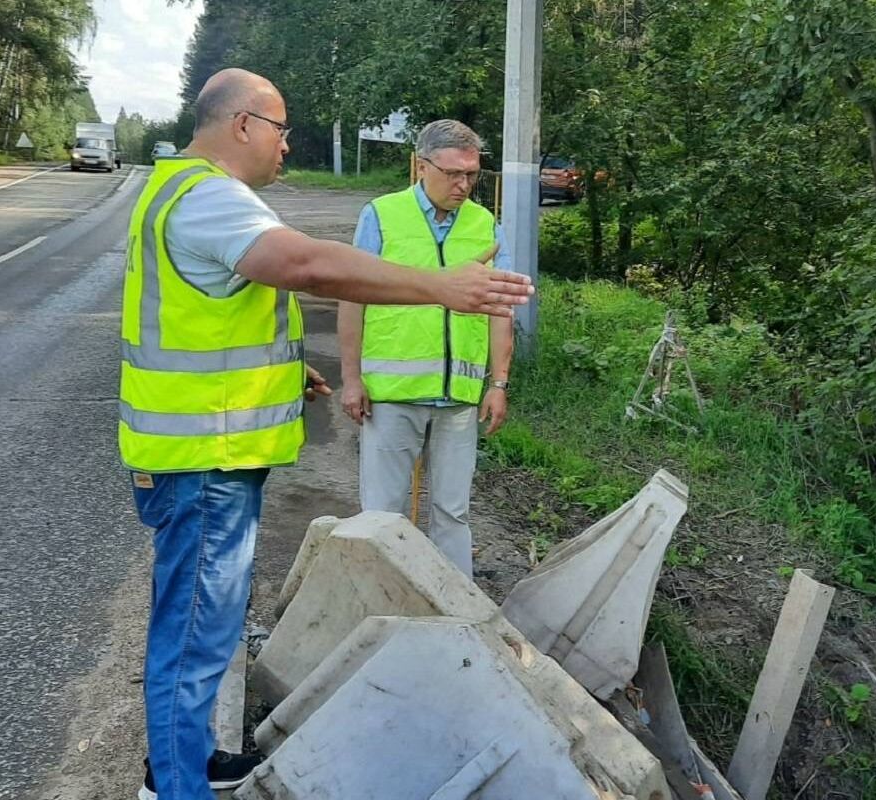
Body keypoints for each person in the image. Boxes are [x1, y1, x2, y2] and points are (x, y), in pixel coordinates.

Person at [120, 71, 532, 800]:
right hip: (204, 458)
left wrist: (288, 376)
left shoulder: (177, 187)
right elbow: (306, 264)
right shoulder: (208, 196)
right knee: (192, 635)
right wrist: (440, 286)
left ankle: (186, 763)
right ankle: (175, 786)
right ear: (243, 124)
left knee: (203, 629)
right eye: (282, 131)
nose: (288, 146)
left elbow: (214, 318)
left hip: (205, 449)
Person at [337, 120, 514, 577]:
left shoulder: (485, 224)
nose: (464, 185)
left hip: (459, 398)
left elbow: (500, 309)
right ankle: (378, 607)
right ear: (421, 166)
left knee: (453, 513)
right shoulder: (382, 215)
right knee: (382, 514)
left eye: (472, 175)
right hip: (391, 396)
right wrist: (351, 379)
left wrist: (498, 382)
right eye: (453, 173)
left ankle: (457, 617)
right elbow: (352, 296)